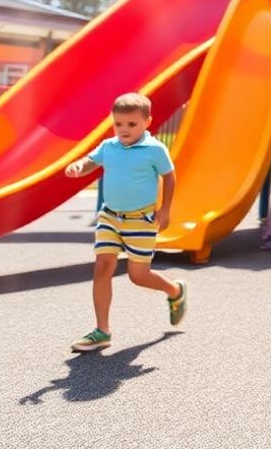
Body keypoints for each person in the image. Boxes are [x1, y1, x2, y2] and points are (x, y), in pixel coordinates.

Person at [64, 92, 188, 353]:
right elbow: (90, 161)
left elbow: (170, 177)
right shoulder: (109, 147)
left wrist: (165, 209)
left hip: (140, 221)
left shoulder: (155, 149)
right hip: (109, 216)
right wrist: (78, 166)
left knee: (138, 276)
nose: (124, 129)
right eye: (118, 123)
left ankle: (174, 290)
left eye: (131, 124)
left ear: (147, 122)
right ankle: (102, 331)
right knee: (102, 267)